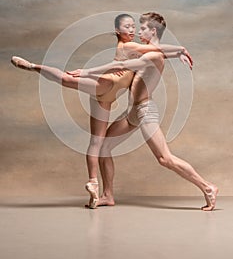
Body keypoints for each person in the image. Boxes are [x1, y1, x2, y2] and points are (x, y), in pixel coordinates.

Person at [11, 14, 190, 208]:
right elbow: (157, 50)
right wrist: (180, 50)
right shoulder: (129, 46)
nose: (133, 30)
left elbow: (156, 52)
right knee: (66, 79)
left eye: (134, 27)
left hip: (106, 98)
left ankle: (96, 186)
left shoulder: (136, 48)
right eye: (128, 27)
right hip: (104, 86)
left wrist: (178, 52)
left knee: (98, 141)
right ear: (118, 31)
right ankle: (32, 66)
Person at [75, 12, 218, 211]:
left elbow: (122, 64)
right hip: (132, 112)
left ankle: (207, 187)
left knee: (164, 158)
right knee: (104, 147)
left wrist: (87, 72)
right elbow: (156, 50)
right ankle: (107, 195)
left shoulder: (152, 55)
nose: (137, 32)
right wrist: (179, 51)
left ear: (153, 30)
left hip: (144, 111)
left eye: (142, 28)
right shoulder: (150, 51)